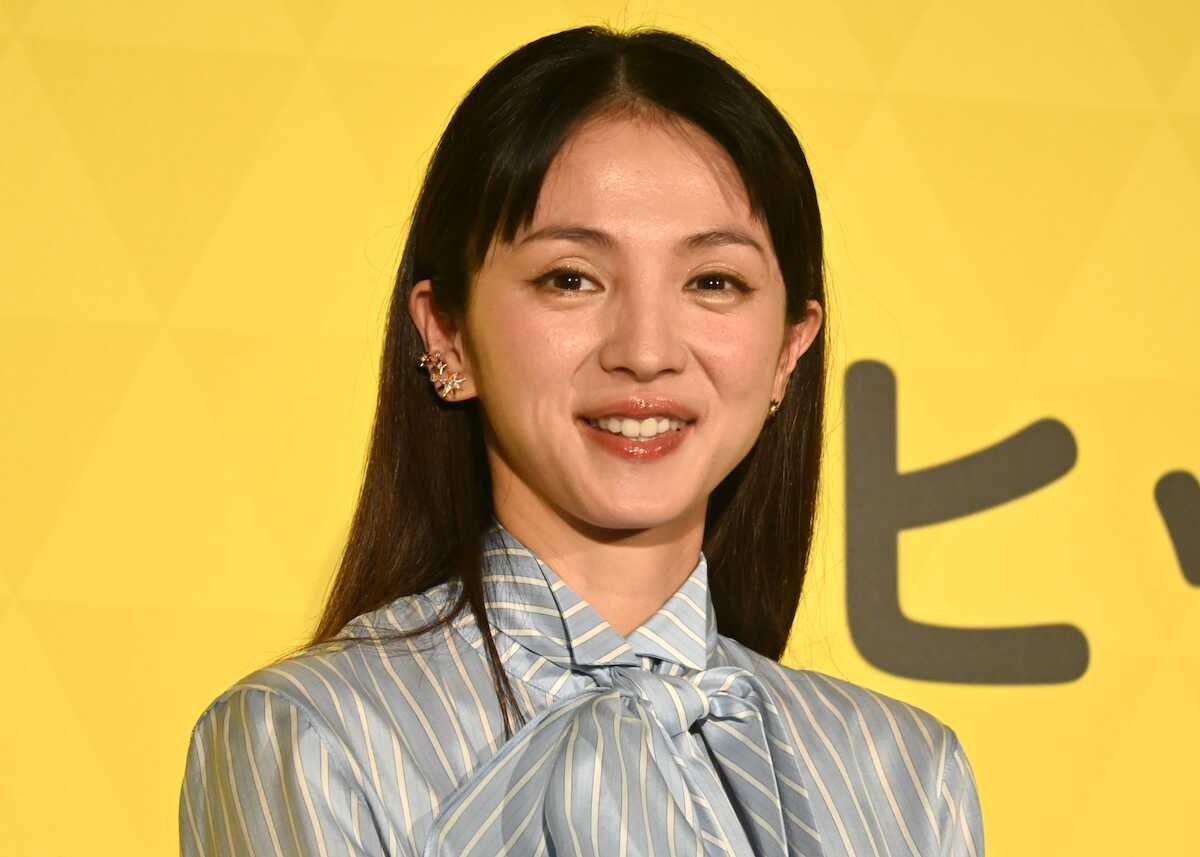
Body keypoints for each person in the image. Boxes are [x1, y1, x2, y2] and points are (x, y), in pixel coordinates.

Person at [178, 24, 984, 857]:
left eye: (714, 281)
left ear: (789, 348)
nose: (646, 349)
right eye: (570, 278)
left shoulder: (905, 776)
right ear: (448, 333)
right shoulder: (308, 738)